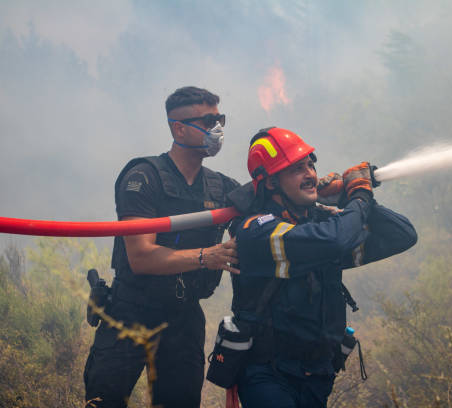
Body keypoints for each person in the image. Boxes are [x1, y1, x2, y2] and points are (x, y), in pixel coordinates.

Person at [229, 127, 417, 407]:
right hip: (269, 376)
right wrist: (359, 198)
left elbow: (402, 234)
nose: (310, 175)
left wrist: (349, 197)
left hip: (317, 376)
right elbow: (335, 240)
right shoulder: (256, 230)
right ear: (270, 183)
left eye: (310, 165)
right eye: (296, 169)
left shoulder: (318, 223)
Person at [84, 86, 240, 408]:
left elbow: (268, 206)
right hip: (130, 312)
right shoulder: (143, 177)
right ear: (178, 128)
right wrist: (205, 257)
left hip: (183, 319)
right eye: (208, 120)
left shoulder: (221, 186)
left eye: (220, 118)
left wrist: (323, 191)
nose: (217, 129)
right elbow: (141, 257)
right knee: (105, 402)